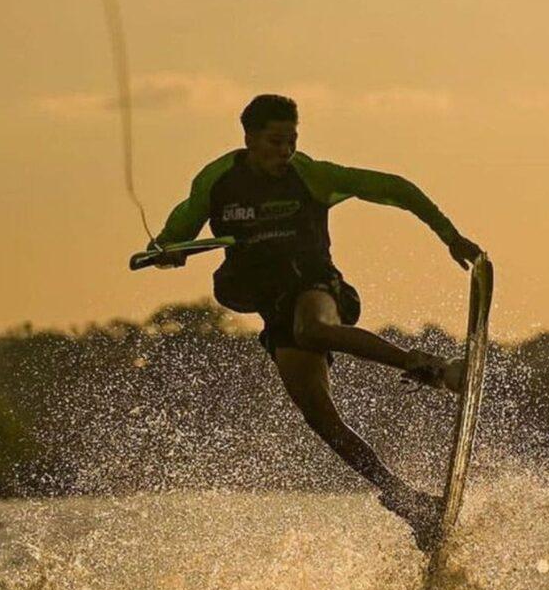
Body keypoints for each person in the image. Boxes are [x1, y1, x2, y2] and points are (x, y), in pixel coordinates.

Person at [146, 94, 483, 551]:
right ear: (248, 139)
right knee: (321, 419)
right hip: (276, 307)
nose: (284, 151)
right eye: (275, 141)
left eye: (291, 140)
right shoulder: (218, 181)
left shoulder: (312, 176)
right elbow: (174, 238)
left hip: (319, 287)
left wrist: (449, 235)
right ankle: (409, 503)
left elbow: (396, 188)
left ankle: (433, 369)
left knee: (312, 329)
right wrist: (167, 253)